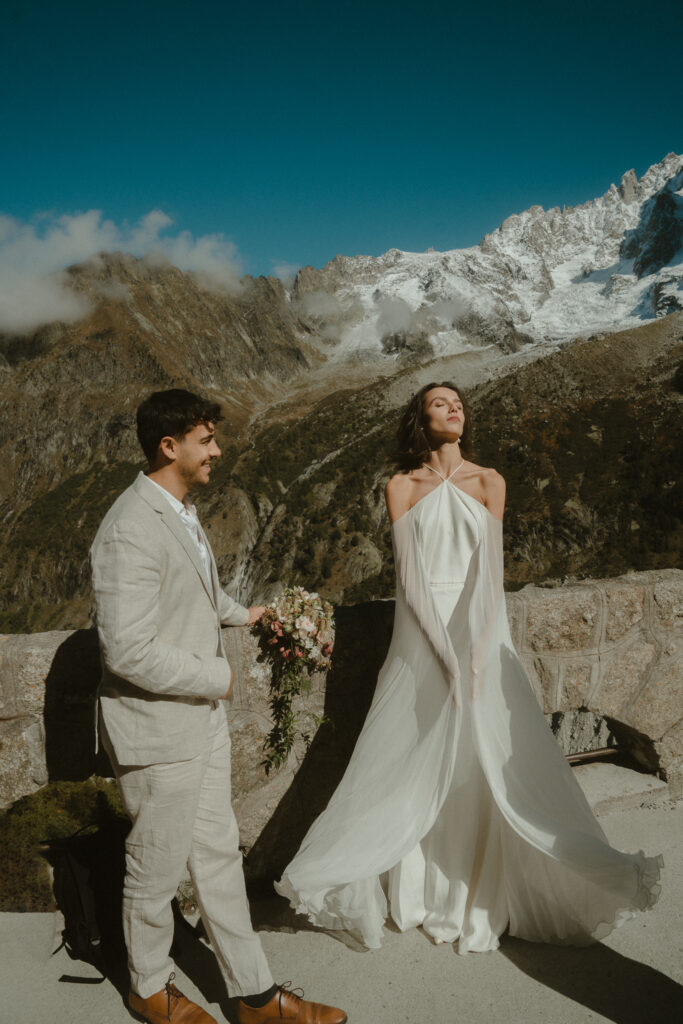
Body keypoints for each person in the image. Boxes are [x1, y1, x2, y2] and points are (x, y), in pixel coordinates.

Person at [275, 382, 663, 954]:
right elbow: (408, 580)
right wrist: (441, 655)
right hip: (421, 635)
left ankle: (483, 885)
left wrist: (477, 653)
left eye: (458, 403)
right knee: (412, 751)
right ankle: (416, 886)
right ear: (420, 419)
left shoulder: (490, 481)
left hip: (481, 629)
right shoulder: (401, 486)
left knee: (487, 757)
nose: (454, 408)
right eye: (440, 402)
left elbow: (491, 577)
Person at [90, 389, 346, 1024]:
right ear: (168, 447)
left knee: (216, 858)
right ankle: (147, 987)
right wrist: (219, 679)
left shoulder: (178, 509)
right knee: (155, 866)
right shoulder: (128, 527)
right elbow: (126, 650)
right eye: (207, 440)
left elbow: (199, 592)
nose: (218, 450)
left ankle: (255, 995)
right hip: (157, 727)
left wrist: (247, 613)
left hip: (195, 724)